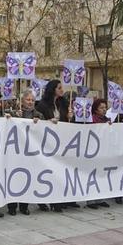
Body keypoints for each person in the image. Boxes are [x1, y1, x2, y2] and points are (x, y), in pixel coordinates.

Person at [35, 80, 74, 212]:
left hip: (61, 143)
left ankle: (57, 200)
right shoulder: (42, 105)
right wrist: (47, 122)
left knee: (59, 171)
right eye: (59, 88)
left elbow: (67, 123)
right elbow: (38, 122)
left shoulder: (63, 103)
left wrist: (70, 117)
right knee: (47, 172)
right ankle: (44, 200)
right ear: (53, 90)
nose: (62, 90)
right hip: (47, 143)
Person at [8, 89, 43, 216]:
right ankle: (12, 206)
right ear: (22, 101)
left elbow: (44, 131)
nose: (30, 102)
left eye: (33, 100)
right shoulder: (14, 113)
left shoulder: (39, 115)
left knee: (27, 178)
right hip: (15, 152)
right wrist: (11, 117)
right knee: (13, 178)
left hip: (30, 153)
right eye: (28, 99)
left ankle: (24, 205)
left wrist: (41, 124)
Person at [87, 98, 111, 209]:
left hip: (104, 151)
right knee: (92, 175)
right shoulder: (91, 119)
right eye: (101, 108)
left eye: (105, 107)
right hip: (93, 151)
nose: (104, 110)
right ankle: (91, 201)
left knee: (102, 175)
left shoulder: (107, 120)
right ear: (95, 109)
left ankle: (100, 198)